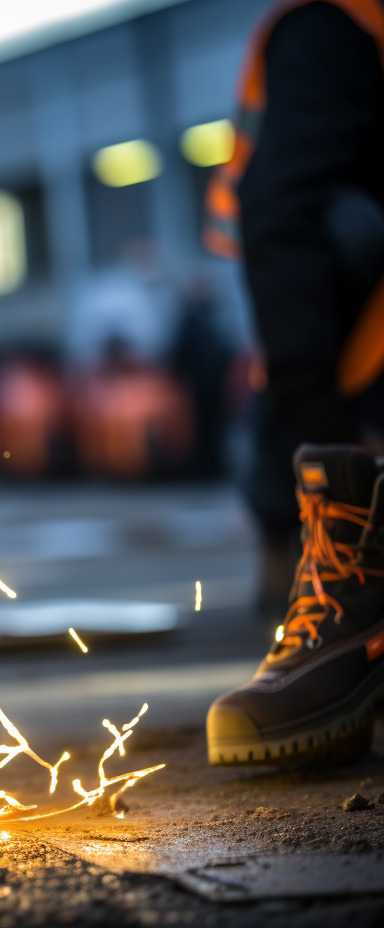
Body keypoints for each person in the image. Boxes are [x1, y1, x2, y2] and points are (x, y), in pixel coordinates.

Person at [204, 0, 384, 766]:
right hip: (331, 373)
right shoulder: (334, 26)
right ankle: (341, 548)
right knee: (343, 222)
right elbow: (284, 212)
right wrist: (324, 435)